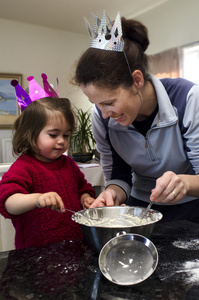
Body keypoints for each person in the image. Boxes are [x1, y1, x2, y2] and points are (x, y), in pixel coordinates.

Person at [72, 12, 199, 222]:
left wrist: (184, 183)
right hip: (139, 209)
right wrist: (112, 192)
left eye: (109, 102)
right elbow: (119, 178)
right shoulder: (102, 119)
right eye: (96, 104)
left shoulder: (188, 99)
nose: (104, 114)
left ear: (137, 80)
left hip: (191, 207)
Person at [0, 73, 95, 249]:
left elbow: (83, 187)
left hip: (74, 246)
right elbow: (8, 202)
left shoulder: (68, 164)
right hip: (36, 253)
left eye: (66, 135)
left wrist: (85, 198)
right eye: (53, 134)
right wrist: (37, 199)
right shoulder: (24, 167)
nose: (61, 141)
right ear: (30, 133)